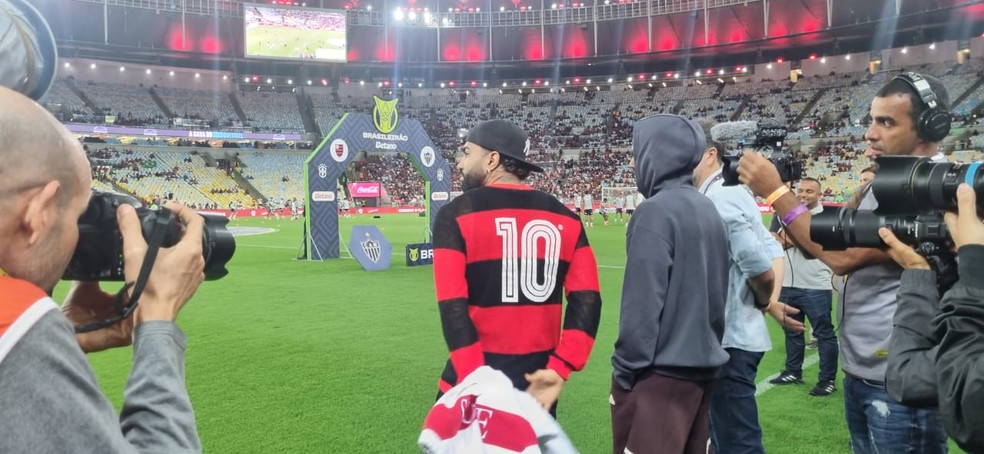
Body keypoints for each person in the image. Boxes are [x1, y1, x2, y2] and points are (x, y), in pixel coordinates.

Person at [737, 72, 950, 453]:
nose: (870, 133)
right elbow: (825, 239)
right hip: (867, 371)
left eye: (886, 122)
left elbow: (840, 257)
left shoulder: (929, 187)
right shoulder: (892, 180)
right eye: (871, 120)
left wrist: (776, 191)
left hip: (898, 378)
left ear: (929, 127)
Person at [0, 86, 206, 452]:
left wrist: (59, 333)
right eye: (80, 216)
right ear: (39, 212)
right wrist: (156, 316)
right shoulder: (10, 317)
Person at [431, 119, 603, 414]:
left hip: (470, 387)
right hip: (535, 392)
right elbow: (588, 300)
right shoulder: (568, 219)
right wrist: (561, 367)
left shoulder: (453, 215)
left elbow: (452, 306)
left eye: (466, 153)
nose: (459, 164)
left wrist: (476, 378)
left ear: (492, 159)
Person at [610, 115, 731, 454]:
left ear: (655, 153)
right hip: (703, 370)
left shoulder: (654, 212)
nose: (634, 162)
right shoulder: (707, 207)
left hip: (660, 378)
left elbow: (642, 306)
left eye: (638, 152)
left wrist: (624, 373)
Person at [694, 120, 802, 454]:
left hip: (729, 341)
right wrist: (769, 303)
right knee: (724, 437)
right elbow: (772, 250)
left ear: (711, 154)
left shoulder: (719, 197)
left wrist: (765, 296)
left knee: (736, 442)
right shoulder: (730, 192)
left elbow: (758, 264)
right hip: (735, 337)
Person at [767, 178, 838, 396]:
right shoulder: (784, 215)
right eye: (801, 190)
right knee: (791, 332)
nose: (804, 194)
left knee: (824, 334)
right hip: (788, 282)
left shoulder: (826, 217)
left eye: (810, 191)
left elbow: (790, 240)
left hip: (816, 284)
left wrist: (785, 236)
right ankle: (793, 371)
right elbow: (772, 239)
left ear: (819, 195)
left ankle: (827, 380)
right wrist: (790, 237)